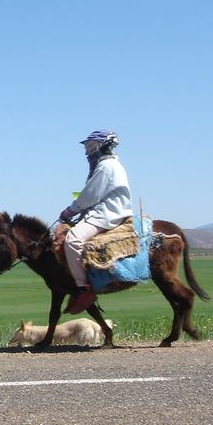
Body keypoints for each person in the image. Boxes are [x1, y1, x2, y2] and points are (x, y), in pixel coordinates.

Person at [58, 129, 133, 314]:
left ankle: (83, 289)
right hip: (104, 210)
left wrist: (70, 210)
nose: (88, 151)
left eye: (92, 146)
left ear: (104, 145)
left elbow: (90, 196)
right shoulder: (107, 165)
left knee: (73, 240)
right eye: (88, 147)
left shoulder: (106, 166)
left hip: (107, 213)